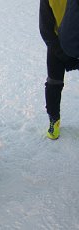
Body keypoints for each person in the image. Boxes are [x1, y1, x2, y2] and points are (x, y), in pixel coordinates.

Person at [39, 0, 79, 140]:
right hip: (58, 44)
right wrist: (61, 53)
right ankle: (54, 120)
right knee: (53, 83)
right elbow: (45, 29)